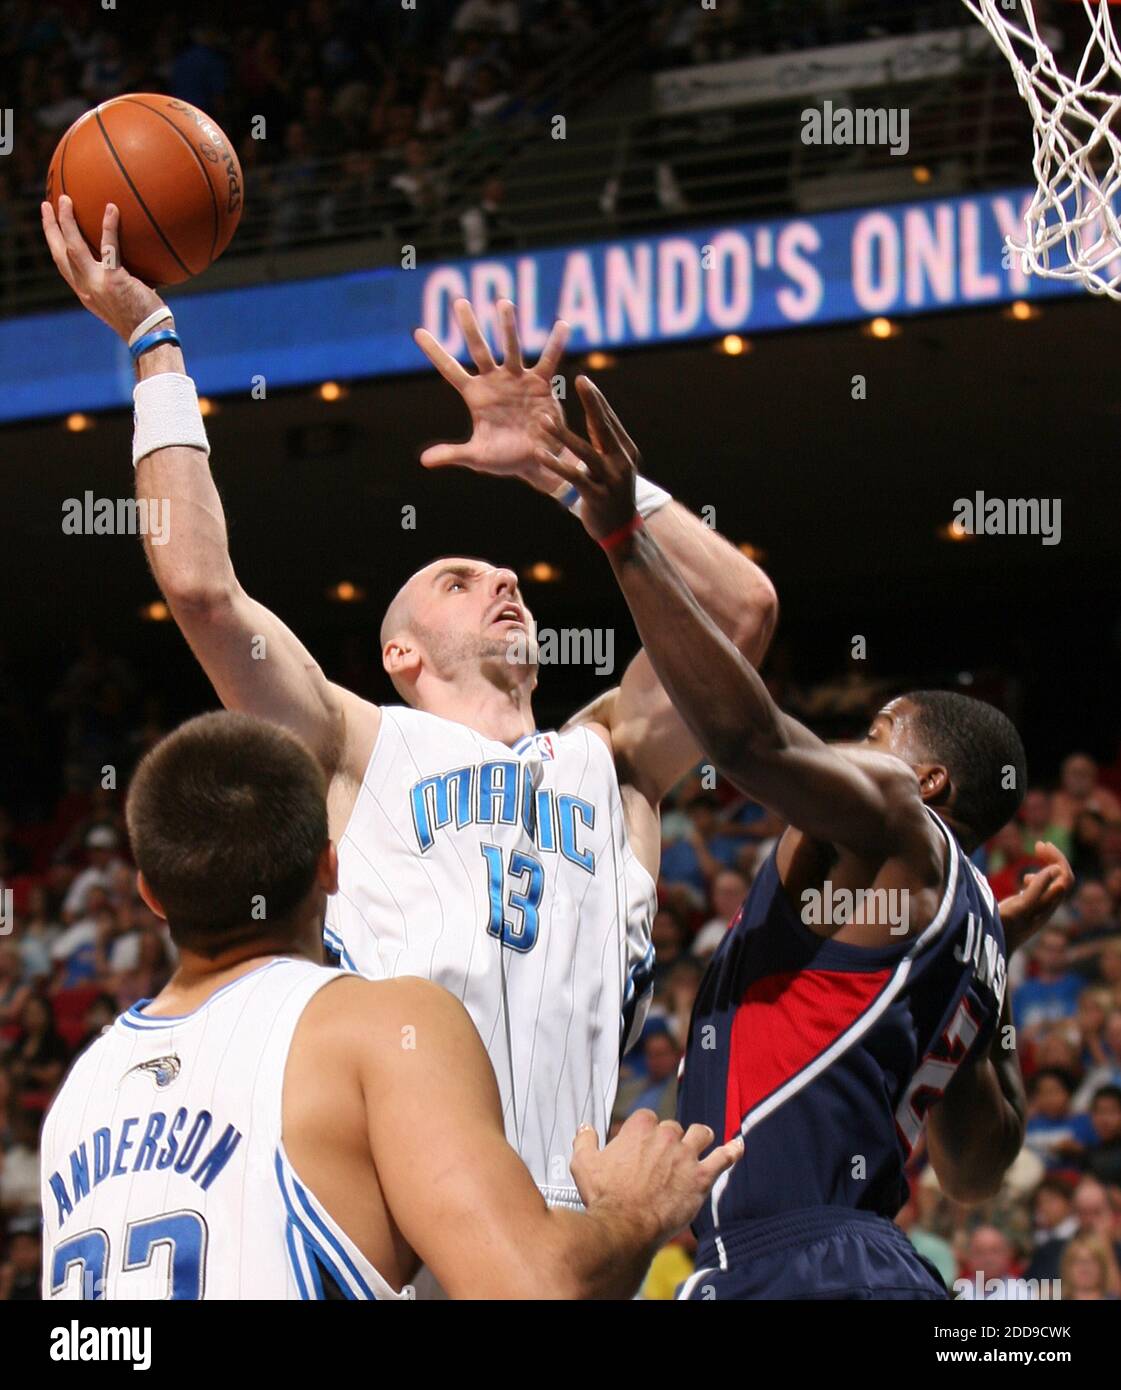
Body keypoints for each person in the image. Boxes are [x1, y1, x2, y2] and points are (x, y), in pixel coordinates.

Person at [40, 197, 776, 1214]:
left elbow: (739, 612)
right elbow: (204, 589)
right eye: (462, 578)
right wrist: (153, 344)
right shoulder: (358, 742)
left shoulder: (611, 756)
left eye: (510, 572)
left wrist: (578, 483)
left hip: (572, 1233)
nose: (506, 580)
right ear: (400, 651)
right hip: (396, 1224)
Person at [531, 374, 1075, 1300]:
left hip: (797, 1262)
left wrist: (623, 537)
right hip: (876, 1265)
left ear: (926, 778)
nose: (856, 756)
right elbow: (977, 1170)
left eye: (876, 736)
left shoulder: (900, 811)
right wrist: (986, 980)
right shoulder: (966, 929)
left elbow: (750, 740)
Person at [40, 711, 740, 1301]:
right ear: (330, 866)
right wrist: (633, 1214)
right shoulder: (377, 1025)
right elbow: (533, 1286)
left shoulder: (84, 1088)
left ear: (150, 895)